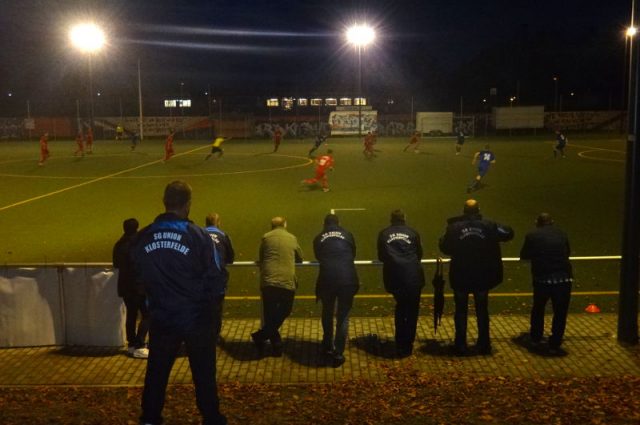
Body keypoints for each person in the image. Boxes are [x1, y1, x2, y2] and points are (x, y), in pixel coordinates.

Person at [132, 181, 227, 425]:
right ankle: (211, 417)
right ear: (187, 205)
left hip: (163, 317)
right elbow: (215, 276)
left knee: (157, 373)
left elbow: (137, 274)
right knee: (204, 373)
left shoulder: (145, 235)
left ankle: (150, 417)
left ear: (165, 202)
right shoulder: (198, 236)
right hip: (195, 316)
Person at [439, 199, 514, 356]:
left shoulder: (454, 227)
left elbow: (444, 246)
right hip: (482, 275)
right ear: (478, 210)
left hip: (461, 274)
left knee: (460, 311)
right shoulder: (489, 225)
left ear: (464, 211)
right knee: (482, 310)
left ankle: (460, 344)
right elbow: (508, 233)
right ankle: (484, 344)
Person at [520, 213, 572, 355]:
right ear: (552, 222)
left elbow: (524, 254)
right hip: (563, 278)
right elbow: (567, 252)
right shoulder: (561, 233)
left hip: (542, 278)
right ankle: (555, 342)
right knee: (560, 312)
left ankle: (536, 337)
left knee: (538, 308)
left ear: (537, 222)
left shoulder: (532, 235)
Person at [251, 216, 303, 357]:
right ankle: (271, 343)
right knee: (285, 310)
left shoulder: (266, 238)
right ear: (284, 224)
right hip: (286, 281)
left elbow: (261, 257)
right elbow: (300, 257)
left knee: (269, 314)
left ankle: (270, 341)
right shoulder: (292, 238)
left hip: (268, 281)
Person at [377, 209, 425, 357]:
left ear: (391, 219)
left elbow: (381, 256)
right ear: (404, 218)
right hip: (413, 277)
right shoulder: (412, 232)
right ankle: (407, 344)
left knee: (401, 309)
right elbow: (419, 254)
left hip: (395, 277)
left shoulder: (384, 233)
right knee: (412, 312)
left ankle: (400, 343)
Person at [313, 214, 359, 367]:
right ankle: (338, 352)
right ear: (339, 223)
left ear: (324, 224)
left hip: (327, 279)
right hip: (347, 279)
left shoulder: (319, 237)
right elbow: (353, 253)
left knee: (327, 311)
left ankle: (327, 345)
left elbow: (318, 256)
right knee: (343, 316)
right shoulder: (347, 234)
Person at [112, 218, 149, 359]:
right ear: (136, 228)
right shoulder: (138, 244)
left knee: (131, 315)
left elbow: (116, 264)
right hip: (138, 286)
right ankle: (140, 344)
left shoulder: (119, 244)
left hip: (125, 286)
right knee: (147, 314)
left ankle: (132, 344)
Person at [204, 212, 235, 341]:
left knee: (201, 309)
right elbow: (231, 258)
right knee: (216, 310)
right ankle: (214, 336)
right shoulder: (223, 236)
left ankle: (202, 335)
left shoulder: (198, 234)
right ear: (219, 222)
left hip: (200, 281)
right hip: (217, 280)